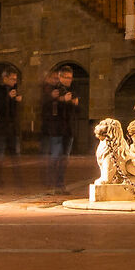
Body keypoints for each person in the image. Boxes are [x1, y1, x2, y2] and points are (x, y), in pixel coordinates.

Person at [41, 67, 81, 195]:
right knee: (55, 157)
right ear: (61, 77)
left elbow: (79, 111)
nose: (69, 80)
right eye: (67, 77)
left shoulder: (73, 91)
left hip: (68, 130)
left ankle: (60, 185)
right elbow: (47, 108)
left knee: (64, 159)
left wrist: (74, 103)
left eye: (70, 77)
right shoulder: (54, 90)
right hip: (56, 130)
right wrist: (62, 101)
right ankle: (50, 186)